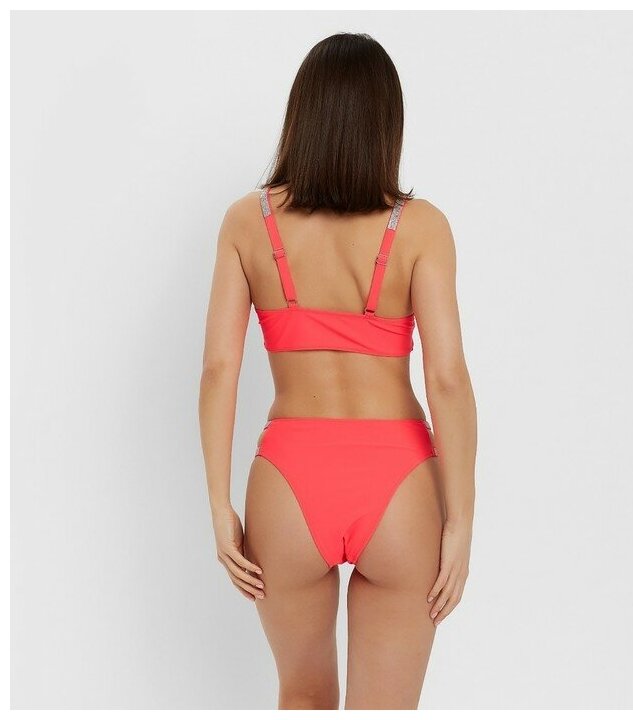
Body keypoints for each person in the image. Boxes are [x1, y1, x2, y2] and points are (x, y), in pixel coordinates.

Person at [199, 32, 477, 710]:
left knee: (302, 696)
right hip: (400, 481)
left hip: (288, 480)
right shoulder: (422, 228)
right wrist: (461, 520)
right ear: (387, 123)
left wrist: (219, 506)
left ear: (303, 115)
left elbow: (219, 368)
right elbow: (446, 378)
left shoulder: (247, 222)